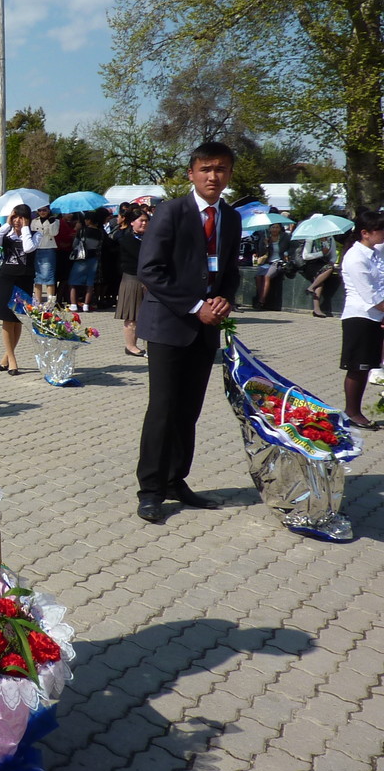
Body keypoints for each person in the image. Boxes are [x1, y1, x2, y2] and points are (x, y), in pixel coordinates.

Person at [134, 141, 242, 524]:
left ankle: (176, 480)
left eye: (222, 169)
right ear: (192, 173)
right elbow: (151, 271)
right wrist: (197, 306)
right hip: (169, 325)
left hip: (205, 329)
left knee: (189, 411)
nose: (214, 176)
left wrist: (225, 298)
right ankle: (150, 491)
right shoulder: (171, 212)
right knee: (163, 409)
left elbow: (229, 270)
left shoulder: (230, 217)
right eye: (206, 169)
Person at [337, 210, 384, 430]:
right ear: (365, 233)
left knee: (365, 367)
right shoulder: (355, 257)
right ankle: (351, 412)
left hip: (374, 317)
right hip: (360, 316)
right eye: (380, 230)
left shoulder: (372, 252)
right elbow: (371, 296)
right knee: (357, 367)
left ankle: (354, 411)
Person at [0, 204, 39, 374]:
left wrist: (24, 229)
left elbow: (28, 248)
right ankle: (12, 360)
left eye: (20, 217)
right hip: (6, 279)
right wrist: (7, 224)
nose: (17, 220)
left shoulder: (35, 235)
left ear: (27, 219)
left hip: (24, 280)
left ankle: (5, 359)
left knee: (17, 319)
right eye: (15, 216)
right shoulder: (7, 232)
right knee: (6, 318)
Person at [115, 209, 149, 357]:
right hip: (132, 279)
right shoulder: (127, 239)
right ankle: (131, 346)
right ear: (132, 222)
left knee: (149, 315)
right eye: (140, 220)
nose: (144, 223)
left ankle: (149, 345)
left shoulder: (150, 238)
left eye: (146, 220)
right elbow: (143, 256)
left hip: (149, 280)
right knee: (132, 316)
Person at [67, 211, 104, 311]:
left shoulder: (82, 230)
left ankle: (73, 304)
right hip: (94, 258)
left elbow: (75, 245)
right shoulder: (100, 232)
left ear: (88, 220)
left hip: (81, 258)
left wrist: (76, 230)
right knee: (89, 283)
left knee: (73, 281)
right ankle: (86, 305)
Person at [254, 222, 290, 309]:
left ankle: (261, 301)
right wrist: (266, 244)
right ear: (270, 229)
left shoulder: (285, 237)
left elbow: (289, 248)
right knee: (258, 276)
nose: (275, 229)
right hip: (267, 262)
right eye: (273, 227)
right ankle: (260, 296)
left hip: (278, 261)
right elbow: (261, 252)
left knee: (267, 276)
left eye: (277, 227)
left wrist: (287, 254)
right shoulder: (266, 237)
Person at [30, 204, 59, 306]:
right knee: (37, 276)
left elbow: (54, 233)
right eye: (40, 210)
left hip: (48, 248)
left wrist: (51, 223)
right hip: (37, 249)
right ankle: (37, 301)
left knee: (49, 275)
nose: (42, 212)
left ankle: (50, 301)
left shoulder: (55, 221)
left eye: (45, 210)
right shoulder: (34, 221)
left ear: (48, 210)